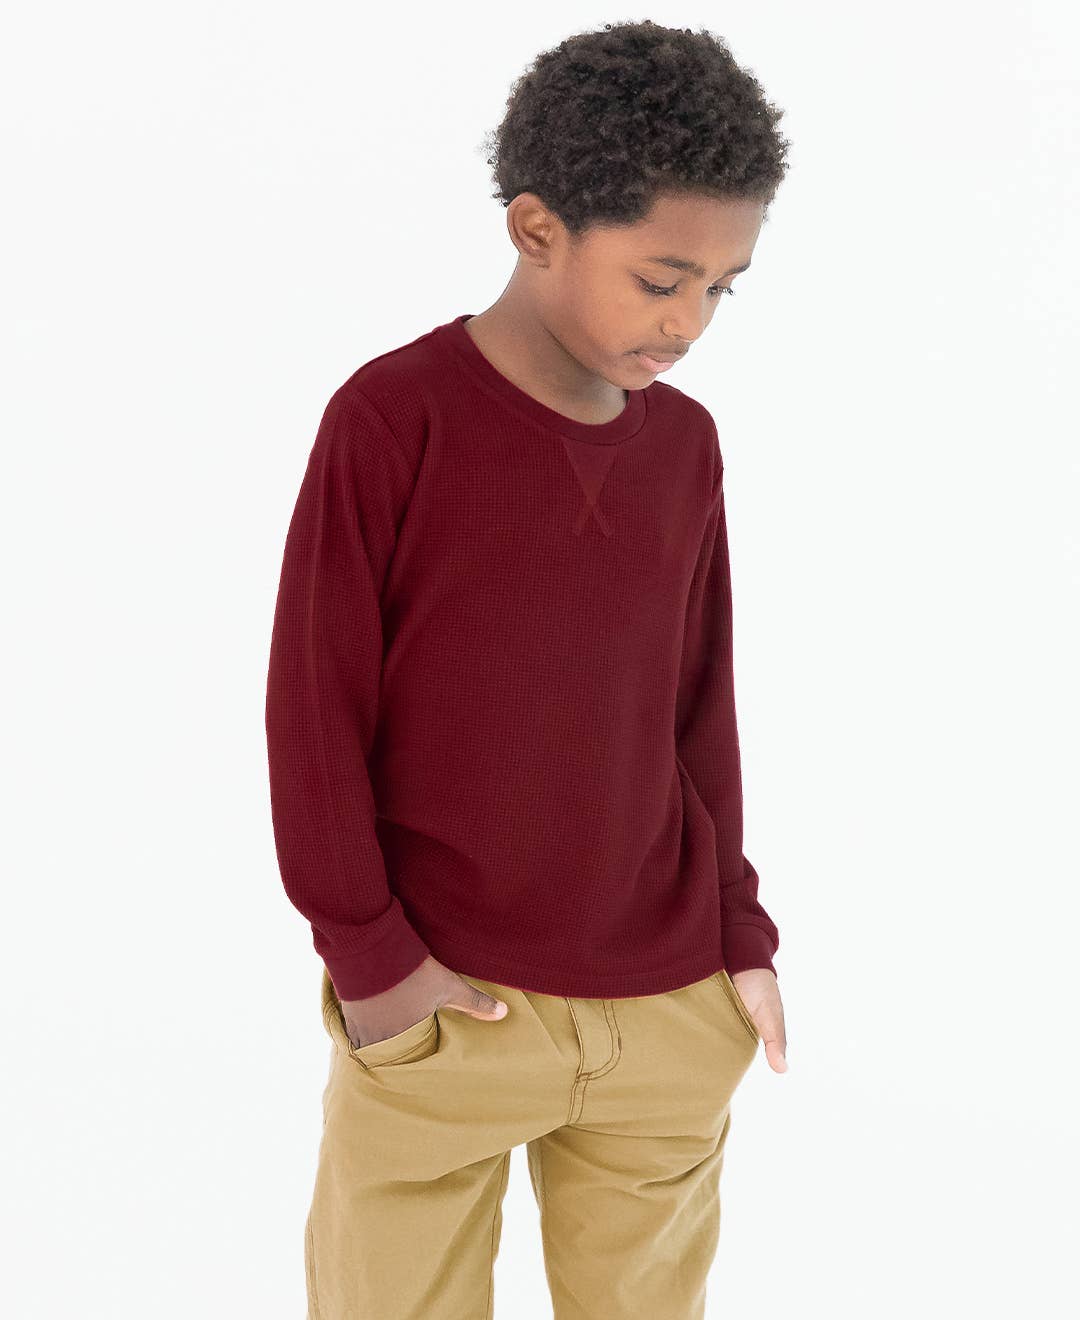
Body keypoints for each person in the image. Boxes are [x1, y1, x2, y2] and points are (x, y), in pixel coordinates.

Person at [265, 18, 791, 1319]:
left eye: (722, 290)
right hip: (448, 1008)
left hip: (668, 1009)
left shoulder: (687, 448)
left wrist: (738, 937)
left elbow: (699, 708)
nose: (690, 322)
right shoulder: (393, 418)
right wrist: (373, 964)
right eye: (662, 279)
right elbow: (314, 713)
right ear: (537, 228)